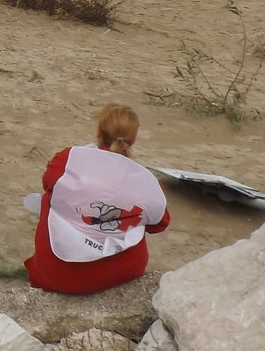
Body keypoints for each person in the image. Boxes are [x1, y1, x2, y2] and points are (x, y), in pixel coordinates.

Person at [23, 104, 171, 295]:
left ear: (98, 132)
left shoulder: (68, 159)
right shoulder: (147, 182)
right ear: (133, 140)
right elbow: (159, 224)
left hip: (59, 274)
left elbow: (47, 182)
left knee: (50, 197)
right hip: (122, 273)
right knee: (138, 220)